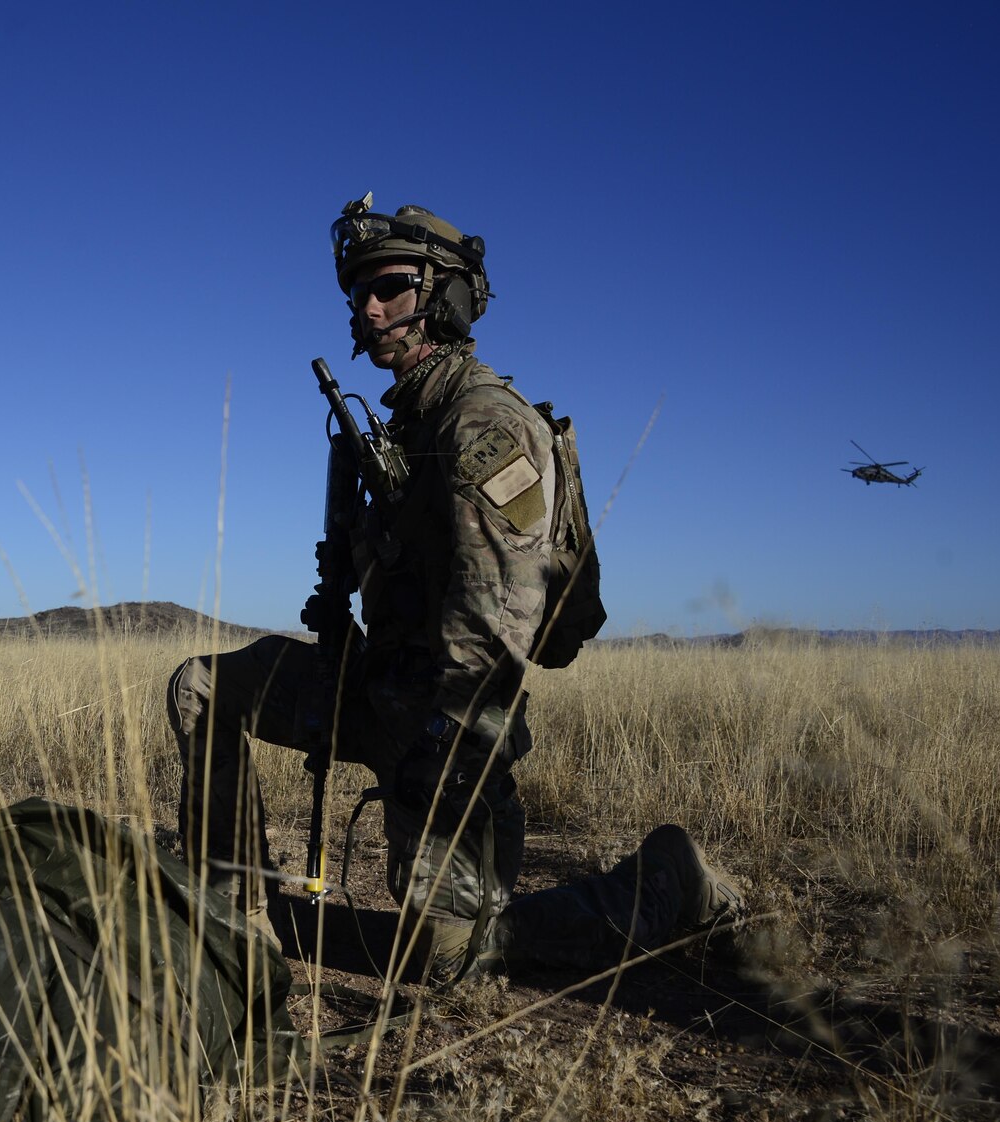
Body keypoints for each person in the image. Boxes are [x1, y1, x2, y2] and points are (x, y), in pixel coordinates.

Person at [169, 195, 740, 987]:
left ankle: (666, 880)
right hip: (374, 688)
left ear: (446, 297)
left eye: (391, 287)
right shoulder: (401, 424)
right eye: (358, 293)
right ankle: (239, 920)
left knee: (448, 957)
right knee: (202, 688)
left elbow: (498, 627)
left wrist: (438, 753)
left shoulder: (481, 425)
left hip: (450, 733)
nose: (369, 308)